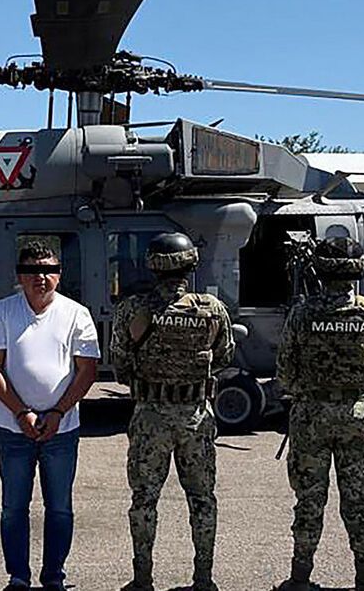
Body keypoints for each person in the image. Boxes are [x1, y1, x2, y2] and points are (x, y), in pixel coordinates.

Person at [110, 232, 235, 591]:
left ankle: (142, 579)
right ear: (191, 265)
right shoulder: (212, 309)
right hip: (195, 416)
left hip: (150, 418)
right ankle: (203, 579)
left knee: (144, 501)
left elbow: (120, 365)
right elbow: (224, 357)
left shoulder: (133, 309)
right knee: (202, 500)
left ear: (152, 266)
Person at [273, 236, 364, 591]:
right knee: (358, 500)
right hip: (357, 415)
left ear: (321, 271)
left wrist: (305, 390)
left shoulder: (303, 313)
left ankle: (300, 578)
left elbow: (284, 370)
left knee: (309, 500)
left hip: (310, 415)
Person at [0, 240, 100, 591]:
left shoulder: (77, 314)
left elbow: (87, 371)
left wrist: (59, 412)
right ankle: (18, 576)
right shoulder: (2, 311)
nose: (40, 278)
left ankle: (54, 576)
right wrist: (21, 413)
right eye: (32, 271)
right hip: (12, 427)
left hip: (61, 429)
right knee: (13, 507)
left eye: (48, 270)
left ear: (59, 275)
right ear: (20, 276)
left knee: (59, 507)